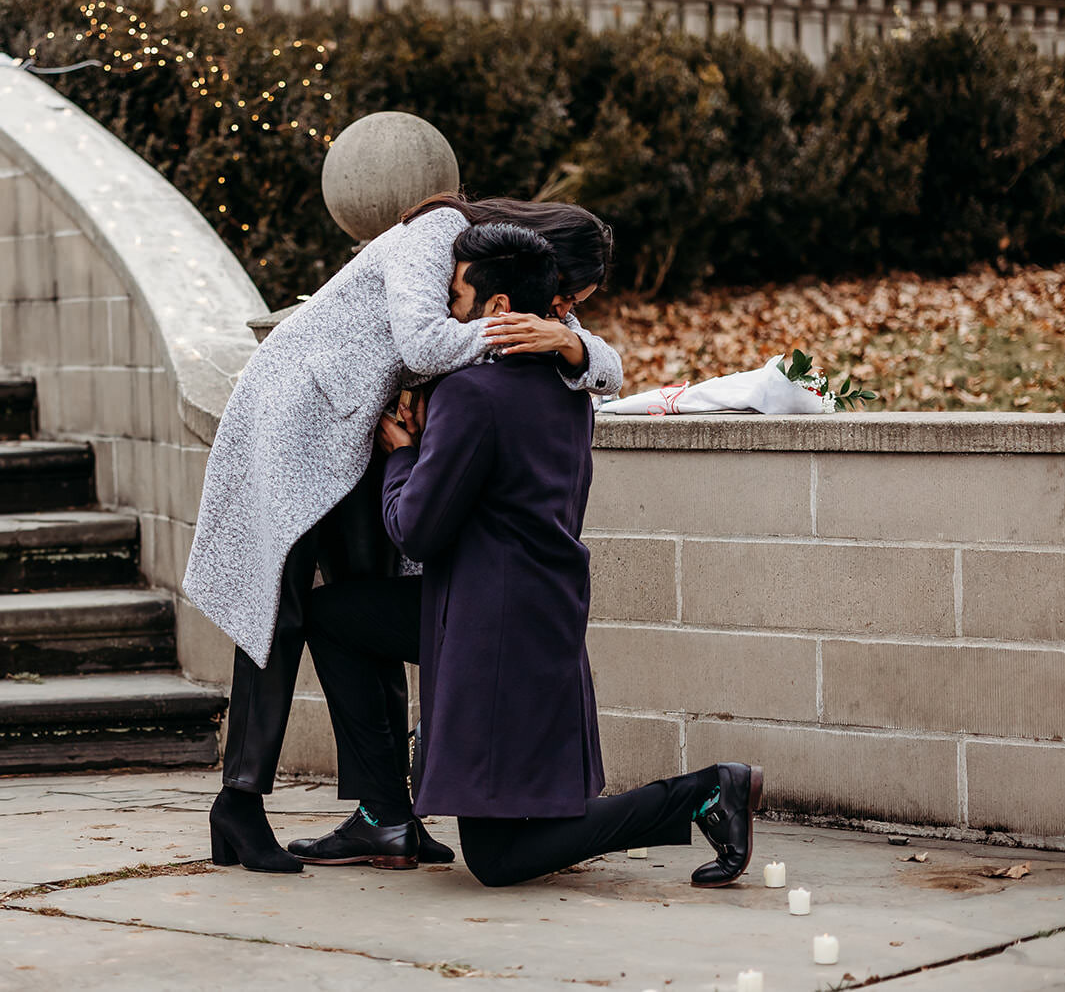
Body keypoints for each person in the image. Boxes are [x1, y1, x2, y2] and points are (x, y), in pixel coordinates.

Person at [292, 222, 764, 886]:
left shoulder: (470, 396)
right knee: (335, 615)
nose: (442, 312)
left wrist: (401, 458)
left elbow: (416, 531)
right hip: (529, 612)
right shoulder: (570, 392)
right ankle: (386, 814)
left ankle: (704, 792)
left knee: (499, 857)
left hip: (492, 632)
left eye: (455, 296)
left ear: (497, 309)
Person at [185, 194, 624, 873]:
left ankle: (385, 815)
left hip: (359, 429)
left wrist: (570, 341)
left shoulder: (501, 270)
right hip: (296, 412)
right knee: (281, 607)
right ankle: (238, 803)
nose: (561, 312)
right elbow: (424, 341)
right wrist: (524, 331)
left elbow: (605, 370)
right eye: (564, 299)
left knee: (365, 596)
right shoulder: (437, 233)